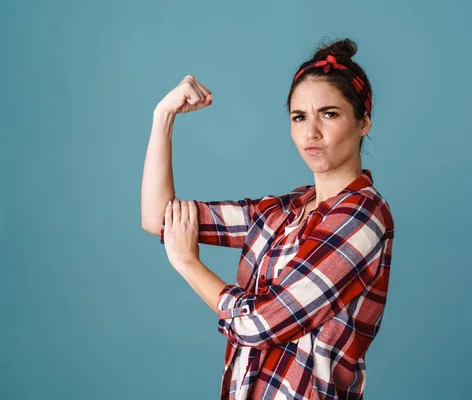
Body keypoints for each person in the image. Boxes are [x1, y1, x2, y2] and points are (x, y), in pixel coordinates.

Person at [141, 38, 395, 400]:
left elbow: (260, 323)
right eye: (299, 117)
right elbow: (159, 218)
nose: (312, 132)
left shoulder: (362, 216)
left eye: (330, 113)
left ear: (363, 121)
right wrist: (162, 117)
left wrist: (186, 262)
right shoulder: (283, 211)